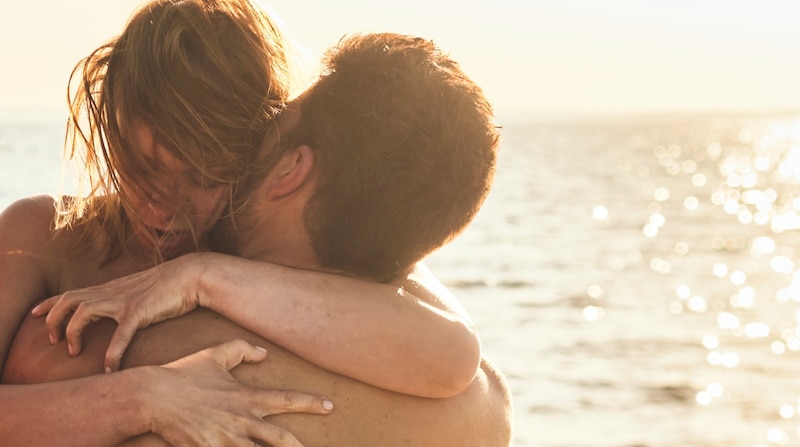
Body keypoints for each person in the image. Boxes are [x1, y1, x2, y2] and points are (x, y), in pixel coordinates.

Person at [0, 0, 489, 445]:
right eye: (141, 167)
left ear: (256, 155)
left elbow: (450, 352)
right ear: (112, 129)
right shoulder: (43, 234)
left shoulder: (266, 256)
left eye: (203, 177)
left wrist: (201, 276)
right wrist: (145, 399)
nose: (163, 207)